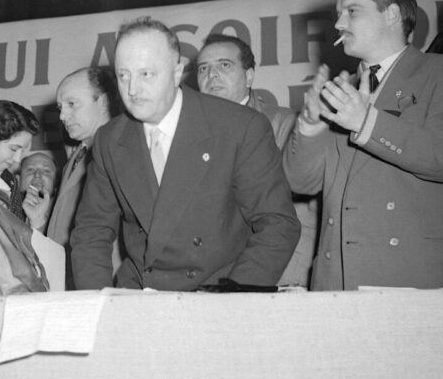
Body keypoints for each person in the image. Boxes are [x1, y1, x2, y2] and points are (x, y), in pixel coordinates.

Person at [70, 17, 299, 291]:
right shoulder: (110, 138)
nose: (132, 89)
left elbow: (277, 224)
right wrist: (98, 306)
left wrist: (236, 299)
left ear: (177, 72)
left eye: (147, 74)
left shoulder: (240, 127)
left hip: (217, 295)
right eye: (123, 75)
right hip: (139, 296)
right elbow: (91, 232)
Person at [283, 0, 443, 290]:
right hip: (334, 283)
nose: (339, 23)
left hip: (407, 282)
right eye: (338, 14)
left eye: (352, 11)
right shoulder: (345, 89)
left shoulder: (436, 73)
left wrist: (367, 122)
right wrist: (311, 125)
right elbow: (300, 182)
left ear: (392, 14)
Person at [195, 34, 316, 287]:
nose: (212, 75)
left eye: (224, 65)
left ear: (249, 76)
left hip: (280, 278)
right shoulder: (192, 136)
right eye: (203, 68)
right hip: (214, 281)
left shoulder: (285, 125)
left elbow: (296, 211)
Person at [47, 67, 119, 246]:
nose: (62, 116)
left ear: (103, 102)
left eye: (72, 104)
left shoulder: (119, 153)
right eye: (60, 108)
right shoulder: (77, 156)